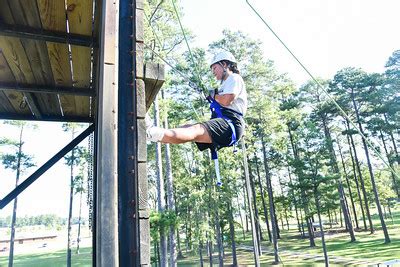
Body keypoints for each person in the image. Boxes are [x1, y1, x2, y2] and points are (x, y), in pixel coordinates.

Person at [146, 50, 247, 152]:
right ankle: (153, 134)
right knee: (186, 128)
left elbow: (226, 100)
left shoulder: (234, 78)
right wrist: (212, 96)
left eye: (215, 68)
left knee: (194, 130)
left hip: (231, 122)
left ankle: (151, 132)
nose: (213, 72)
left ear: (224, 64)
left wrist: (213, 96)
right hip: (225, 121)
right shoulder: (225, 84)